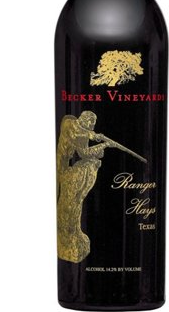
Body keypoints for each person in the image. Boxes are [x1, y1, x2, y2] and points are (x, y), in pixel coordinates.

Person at [56, 111, 114, 263]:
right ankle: (66, 237)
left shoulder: (84, 133)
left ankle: (73, 232)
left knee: (76, 203)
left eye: (93, 125)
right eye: (91, 123)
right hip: (60, 166)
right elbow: (75, 132)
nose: (92, 127)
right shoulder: (70, 124)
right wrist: (93, 135)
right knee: (68, 203)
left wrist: (103, 145)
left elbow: (84, 153)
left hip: (66, 168)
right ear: (85, 120)